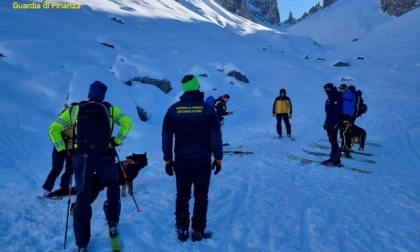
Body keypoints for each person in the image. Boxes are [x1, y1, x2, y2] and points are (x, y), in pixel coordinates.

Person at [48, 81, 133, 251]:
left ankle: (82, 242)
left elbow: (53, 129)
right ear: (103, 94)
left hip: (82, 159)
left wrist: (63, 149)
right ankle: (113, 221)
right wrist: (116, 140)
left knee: (83, 196)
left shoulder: (75, 109)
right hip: (104, 157)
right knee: (113, 187)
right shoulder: (109, 109)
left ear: (89, 93)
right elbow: (127, 123)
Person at [162, 74, 223, 242]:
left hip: (181, 159)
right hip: (202, 160)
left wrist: (168, 159)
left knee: (182, 195)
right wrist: (218, 158)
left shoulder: (173, 109)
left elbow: (166, 136)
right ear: (197, 87)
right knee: (201, 196)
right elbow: (216, 135)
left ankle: (182, 229)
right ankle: (197, 230)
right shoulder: (208, 109)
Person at [41, 127, 73, 197]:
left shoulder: (77, 123)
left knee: (70, 169)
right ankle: (47, 190)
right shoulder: (64, 122)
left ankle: (64, 189)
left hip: (71, 150)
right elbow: (53, 131)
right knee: (56, 169)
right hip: (59, 149)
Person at [322, 83, 343, 166]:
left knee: (333, 140)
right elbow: (328, 113)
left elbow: (337, 112)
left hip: (334, 123)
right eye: (325, 90)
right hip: (329, 122)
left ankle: (336, 159)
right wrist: (326, 122)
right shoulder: (329, 97)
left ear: (331, 89)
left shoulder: (336, 97)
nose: (326, 91)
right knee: (331, 140)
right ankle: (333, 157)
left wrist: (335, 123)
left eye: (327, 89)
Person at [338, 84, 355, 157]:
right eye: (340, 88)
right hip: (349, 116)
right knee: (346, 132)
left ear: (346, 89)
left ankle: (345, 148)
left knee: (344, 133)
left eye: (342, 89)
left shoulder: (344, 95)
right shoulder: (352, 94)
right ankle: (347, 147)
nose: (340, 90)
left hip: (344, 116)